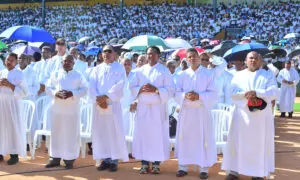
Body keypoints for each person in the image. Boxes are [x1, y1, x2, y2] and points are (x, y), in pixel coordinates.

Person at [222, 51, 277, 180]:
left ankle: (257, 173)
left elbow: (273, 91)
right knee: (237, 143)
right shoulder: (238, 76)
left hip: (260, 118)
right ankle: (234, 171)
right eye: (251, 58)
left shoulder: (268, 75)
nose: (253, 60)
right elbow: (233, 92)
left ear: (261, 61)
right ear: (245, 61)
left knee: (258, 145)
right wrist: (247, 96)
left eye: (256, 58)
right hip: (241, 116)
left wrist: (257, 93)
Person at [129, 46, 174, 174]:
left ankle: (156, 164)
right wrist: (140, 89)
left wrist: (156, 89)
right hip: (143, 108)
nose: (150, 56)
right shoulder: (140, 70)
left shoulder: (164, 71)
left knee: (156, 137)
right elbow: (131, 86)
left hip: (157, 110)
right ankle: (144, 163)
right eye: (148, 54)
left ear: (158, 55)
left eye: (153, 54)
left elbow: (171, 89)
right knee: (143, 136)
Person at [174, 48, 218, 179]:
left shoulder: (208, 74)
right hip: (186, 112)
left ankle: (204, 168)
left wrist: (199, 96)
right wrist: (184, 95)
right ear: (186, 59)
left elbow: (214, 93)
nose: (192, 59)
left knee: (203, 138)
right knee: (184, 138)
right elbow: (176, 92)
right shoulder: (182, 75)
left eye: (194, 56)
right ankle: (182, 166)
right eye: (189, 57)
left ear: (199, 58)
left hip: (201, 112)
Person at [89, 45, 128, 172]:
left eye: (109, 51)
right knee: (101, 132)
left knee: (114, 131)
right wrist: (98, 99)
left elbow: (120, 84)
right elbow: (92, 85)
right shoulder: (97, 69)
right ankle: (104, 159)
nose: (106, 53)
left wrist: (106, 97)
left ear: (114, 54)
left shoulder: (119, 68)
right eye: (104, 51)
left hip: (112, 104)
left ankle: (113, 160)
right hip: (99, 106)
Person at [45, 55, 87, 169]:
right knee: (56, 132)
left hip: (71, 110)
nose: (67, 63)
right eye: (65, 61)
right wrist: (55, 93)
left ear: (73, 63)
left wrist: (72, 93)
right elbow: (48, 88)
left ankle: (69, 159)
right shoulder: (55, 74)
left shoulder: (79, 75)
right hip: (57, 109)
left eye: (70, 61)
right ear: (61, 62)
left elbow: (85, 90)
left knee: (70, 133)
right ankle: (55, 158)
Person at [0, 53, 27, 165]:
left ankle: (14, 155)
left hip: (13, 105)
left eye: (11, 60)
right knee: (1, 128)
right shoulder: (2, 72)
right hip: (1, 103)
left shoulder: (19, 74)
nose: (9, 62)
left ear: (16, 62)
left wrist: (10, 85)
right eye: (7, 60)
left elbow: (25, 92)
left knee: (13, 128)